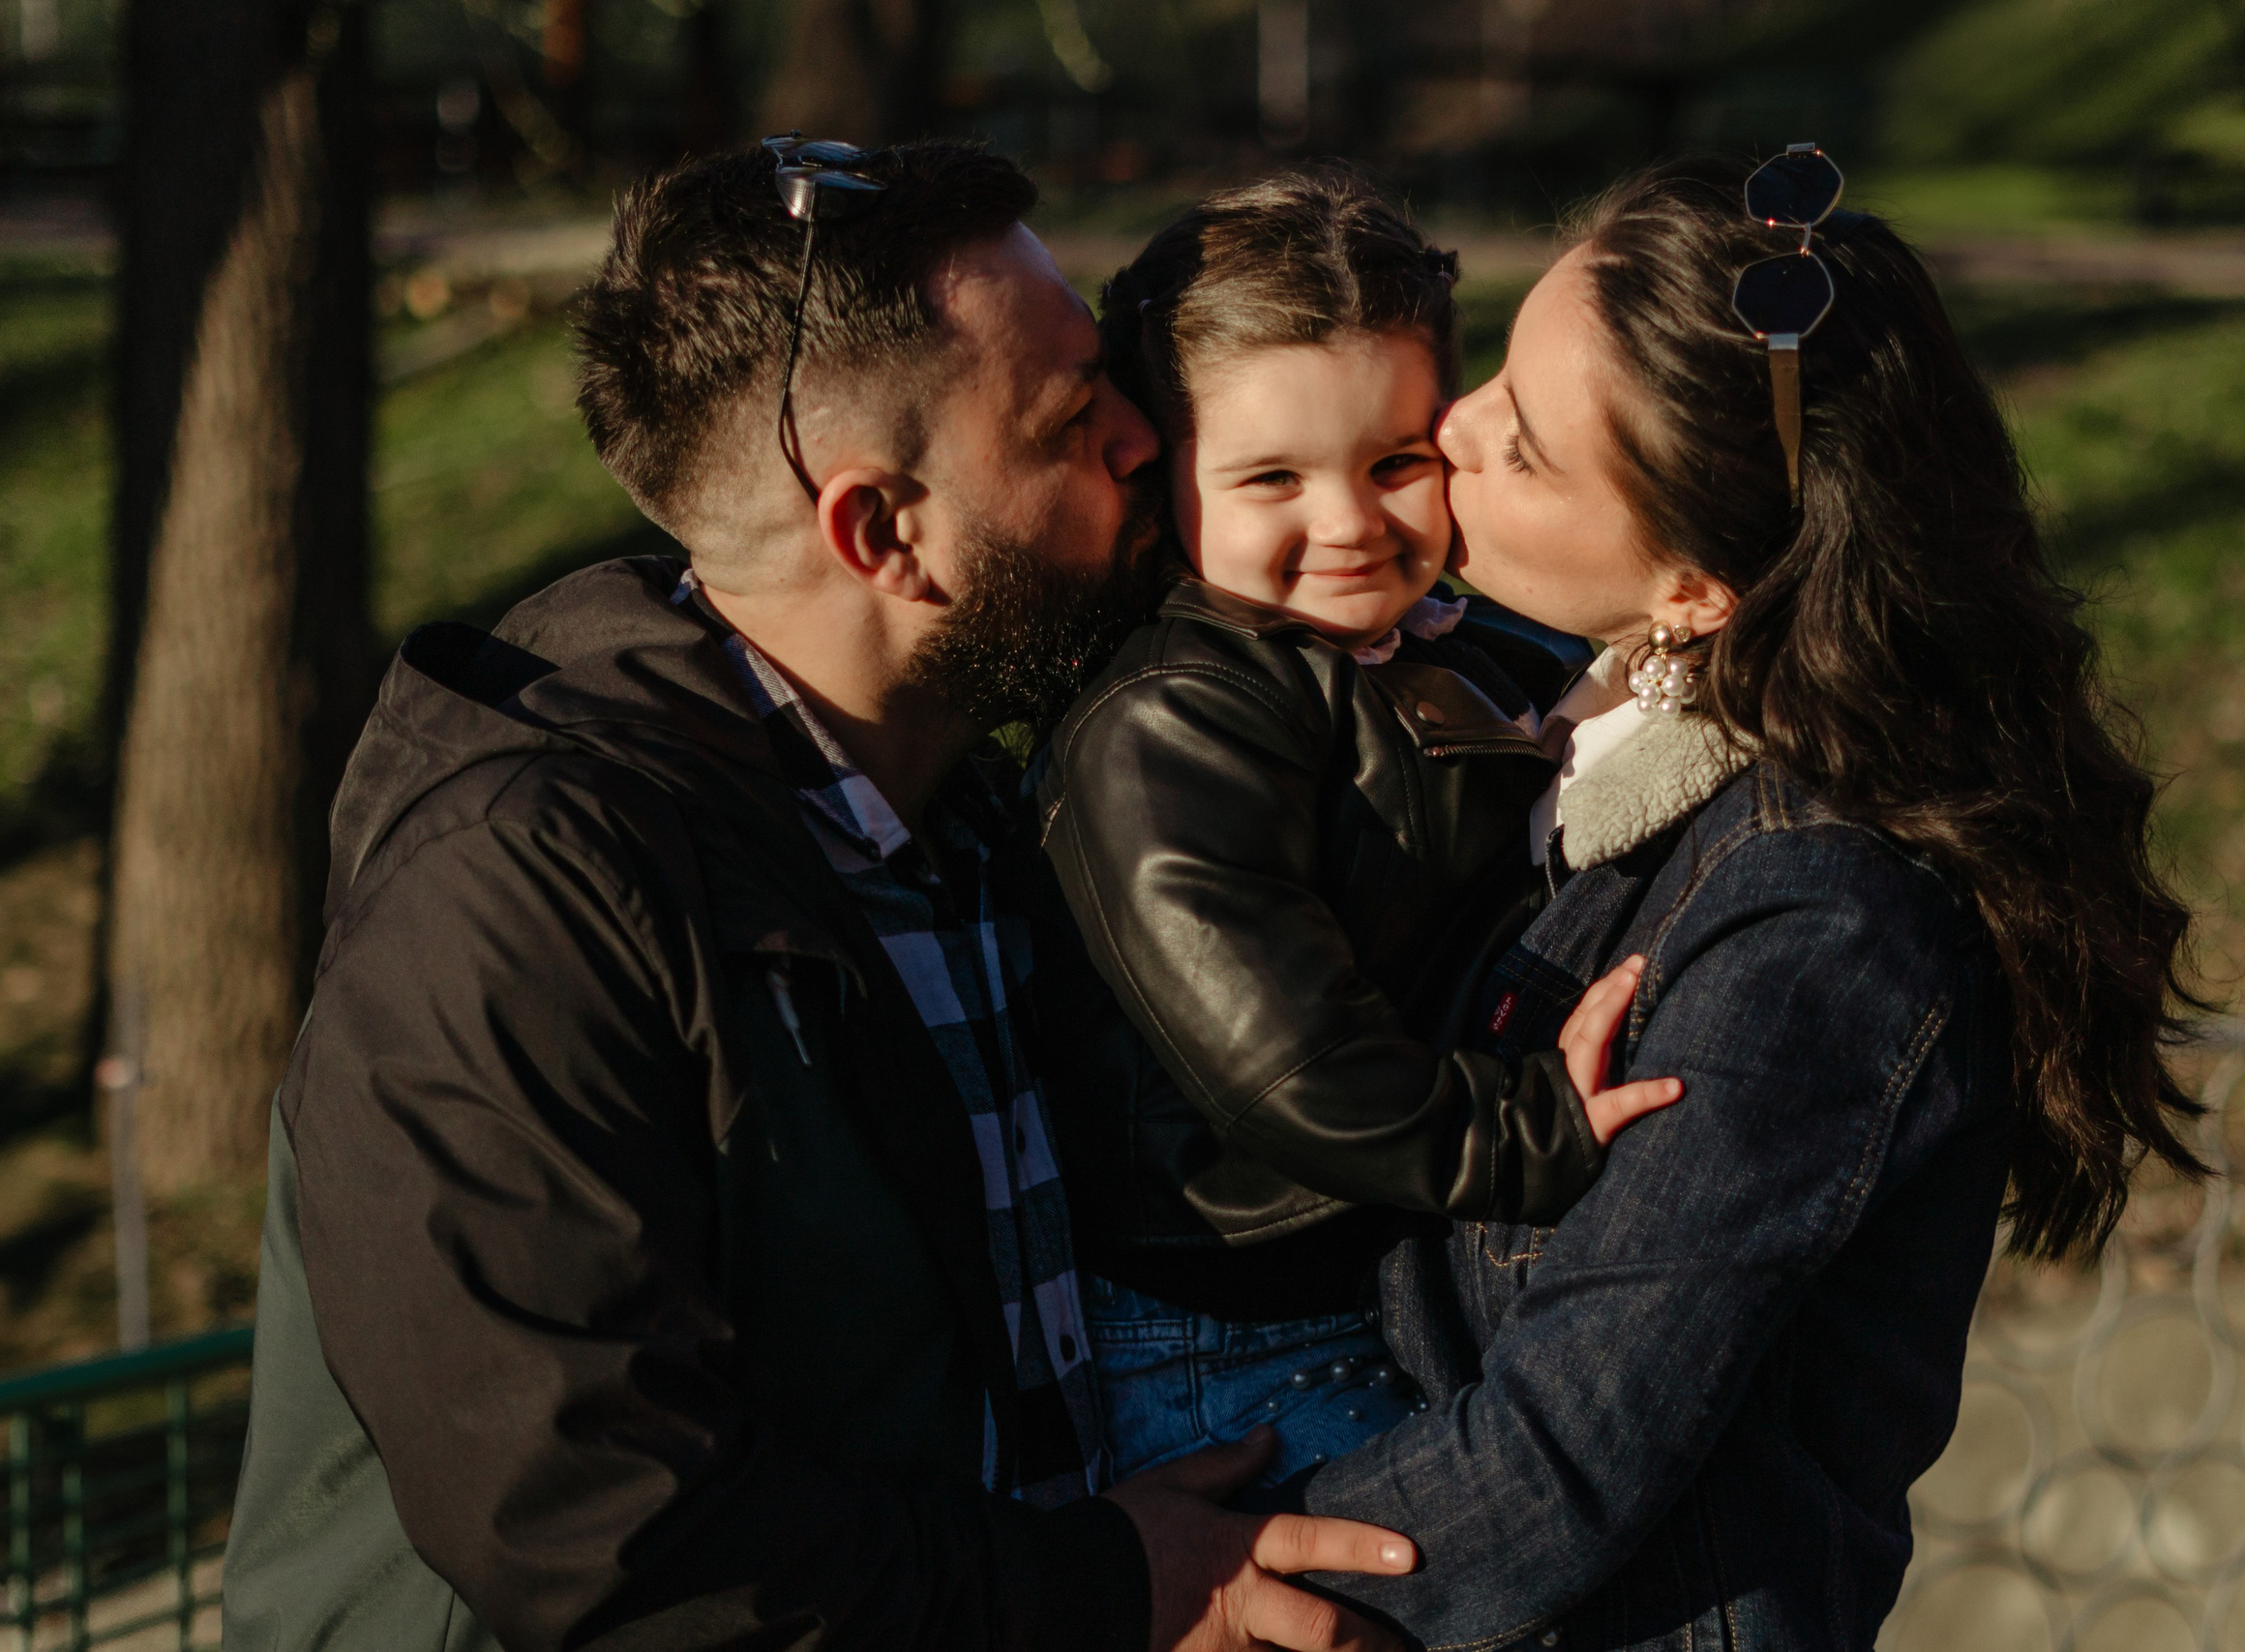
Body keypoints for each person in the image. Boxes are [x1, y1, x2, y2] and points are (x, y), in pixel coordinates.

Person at [221, 139, 1421, 1652]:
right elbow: (604, 1534)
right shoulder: (515, 906)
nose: (1144, 439)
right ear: (879, 531)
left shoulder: (977, 812)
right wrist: (1112, 1589)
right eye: (1074, 414)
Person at [1292, 156, 2208, 1650]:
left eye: (1520, 449)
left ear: (1700, 591)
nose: (1445, 429)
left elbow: (1565, 1448)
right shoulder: (1557, 762)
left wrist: (1221, 1598)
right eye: (1492, 380)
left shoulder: (1816, 923)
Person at [1035, 171, 1679, 1489]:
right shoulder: (1172, 719)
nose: (1349, 524)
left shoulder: (1463, 650)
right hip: (1232, 1328)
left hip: (1385, 1267)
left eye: (1397, 463)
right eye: (1271, 476)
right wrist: (1528, 1135)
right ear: (1167, 479)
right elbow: (1287, 1063)